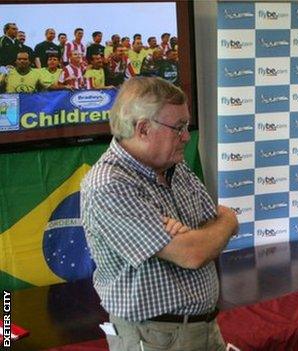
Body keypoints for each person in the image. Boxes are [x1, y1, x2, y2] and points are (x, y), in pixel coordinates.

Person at [81, 77, 239, 351]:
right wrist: (224, 222)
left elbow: (213, 229)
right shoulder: (108, 185)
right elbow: (193, 254)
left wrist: (220, 223)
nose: (187, 137)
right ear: (143, 129)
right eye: (178, 128)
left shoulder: (175, 166)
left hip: (204, 329)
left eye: (186, 127)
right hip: (153, 338)